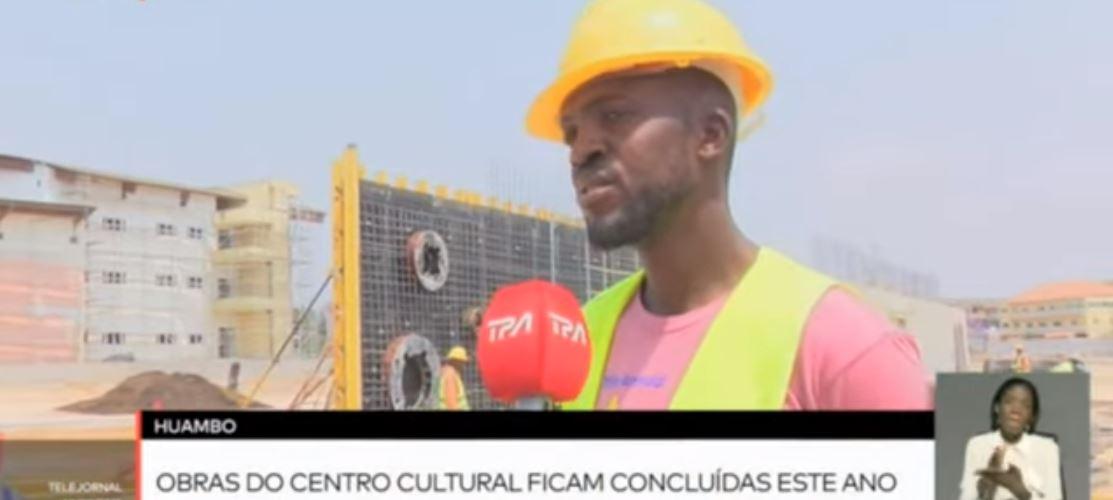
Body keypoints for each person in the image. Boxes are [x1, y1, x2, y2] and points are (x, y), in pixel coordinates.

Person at [526, 0, 929, 410]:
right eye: (571, 134)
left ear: (710, 135)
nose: (581, 151)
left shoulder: (841, 347)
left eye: (614, 116)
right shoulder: (582, 336)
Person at [959, 378, 1061, 500]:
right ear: (997, 407)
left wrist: (1020, 491)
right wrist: (985, 490)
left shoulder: (1047, 448)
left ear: (1032, 417)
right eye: (1009, 402)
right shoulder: (977, 445)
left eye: (1025, 405)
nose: (1016, 410)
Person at [438, 346, 470, 410]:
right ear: (457, 361)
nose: (464, 366)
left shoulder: (444, 373)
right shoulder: (450, 375)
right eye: (463, 362)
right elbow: (452, 403)